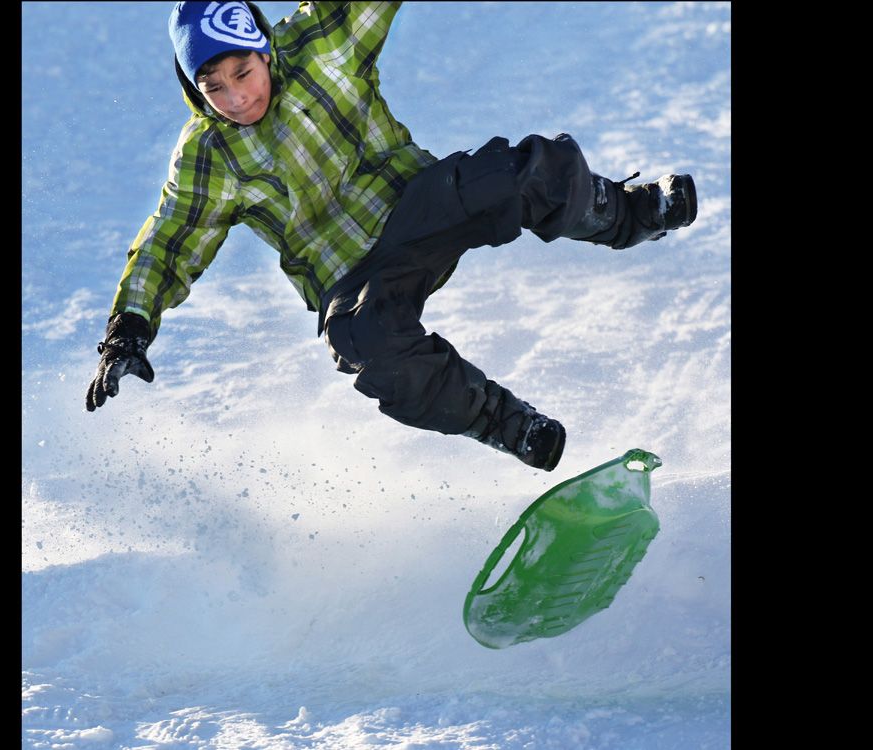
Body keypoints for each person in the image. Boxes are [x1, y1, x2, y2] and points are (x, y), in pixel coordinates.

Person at [85, 1, 697, 472]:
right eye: (213, 87)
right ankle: (508, 425)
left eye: (243, 72)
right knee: (361, 339)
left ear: (264, 50)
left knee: (507, 175)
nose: (237, 98)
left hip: (420, 203)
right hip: (357, 277)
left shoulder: (323, 44)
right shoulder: (207, 157)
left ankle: (633, 213)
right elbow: (169, 241)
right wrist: (129, 328)